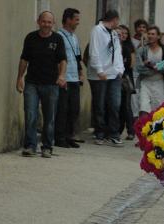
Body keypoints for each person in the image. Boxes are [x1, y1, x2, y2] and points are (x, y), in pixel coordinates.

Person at [17, 11, 67, 158]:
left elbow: (62, 60)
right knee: (30, 114)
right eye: (44, 21)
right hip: (32, 82)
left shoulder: (58, 39)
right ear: (38, 21)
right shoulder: (30, 38)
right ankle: (30, 146)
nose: (46, 24)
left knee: (49, 117)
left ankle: (47, 146)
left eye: (49, 22)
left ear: (53, 23)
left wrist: (62, 75)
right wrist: (19, 77)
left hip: (51, 84)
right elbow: (24, 59)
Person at [87, 10, 125, 146]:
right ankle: (100, 133)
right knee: (100, 105)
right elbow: (94, 51)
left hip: (114, 74)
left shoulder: (114, 33)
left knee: (115, 104)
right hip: (100, 75)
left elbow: (118, 52)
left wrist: (121, 69)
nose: (118, 23)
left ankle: (114, 133)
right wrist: (99, 70)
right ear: (114, 20)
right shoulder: (97, 30)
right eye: (117, 20)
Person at [55, 8, 82, 149]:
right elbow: (57, 58)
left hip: (74, 78)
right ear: (68, 20)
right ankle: (59, 137)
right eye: (76, 19)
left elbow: (77, 57)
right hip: (64, 78)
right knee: (62, 109)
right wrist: (60, 76)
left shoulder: (74, 37)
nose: (78, 22)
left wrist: (80, 72)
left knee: (74, 109)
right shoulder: (59, 36)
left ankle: (69, 136)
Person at [136, 25, 164, 115]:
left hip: (159, 83)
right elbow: (139, 67)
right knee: (143, 108)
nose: (150, 36)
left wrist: (150, 65)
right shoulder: (142, 50)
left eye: (153, 34)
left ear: (158, 36)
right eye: (149, 34)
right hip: (145, 82)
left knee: (158, 111)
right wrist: (155, 68)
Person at [117, 25, 135, 140]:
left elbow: (131, 64)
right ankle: (118, 129)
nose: (122, 36)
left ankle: (130, 130)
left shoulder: (127, 48)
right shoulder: (113, 46)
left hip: (125, 79)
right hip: (114, 78)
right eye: (120, 33)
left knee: (126, 106)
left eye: (125, 34)